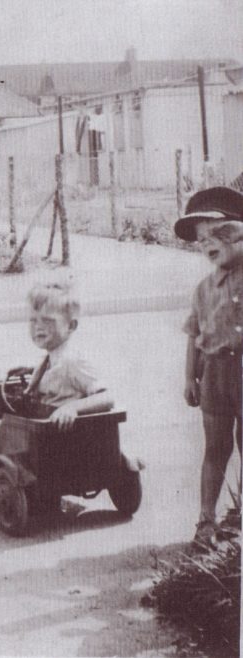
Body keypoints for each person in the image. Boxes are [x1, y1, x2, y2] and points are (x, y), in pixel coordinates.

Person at [174, 186, 243, 548]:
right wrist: (189, 376)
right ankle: (206, 521)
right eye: (201, 240)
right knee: (215, 448)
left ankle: (239, 515)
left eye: (218, 233)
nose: (208, 244)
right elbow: (194, 334)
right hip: (214, 375)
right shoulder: (204, 289)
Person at [0, 280, 114, 452]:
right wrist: (34, 371)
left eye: (48, 321)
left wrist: (71, 408)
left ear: (71, 325)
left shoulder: (72, 361)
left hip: (59, 440)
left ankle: (4, 477)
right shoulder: (53, 357)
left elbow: (107, 397)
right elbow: (58, 375)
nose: (38, 327)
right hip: (46, 429)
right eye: (33, 321)